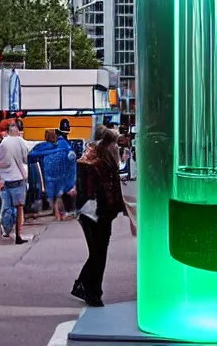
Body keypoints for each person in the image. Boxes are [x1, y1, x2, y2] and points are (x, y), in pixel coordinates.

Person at [72, 129, 125, 307]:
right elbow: (107, 192)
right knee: (99, 254)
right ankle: (91, 290)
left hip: (92, 214)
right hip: (100, 214)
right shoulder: (104, 167)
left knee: (97, 253)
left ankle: (87, 288)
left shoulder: (92, 165)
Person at [0, 123, 29, 244]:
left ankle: (6, 230)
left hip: (6, 179)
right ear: (17, 132)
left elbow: (0, 160)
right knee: (19, 207)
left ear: (8, 131)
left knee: (6, 206)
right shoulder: (21, 142)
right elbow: (25, 159)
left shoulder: (4, 143)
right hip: (19, 178)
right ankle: (18, 235)